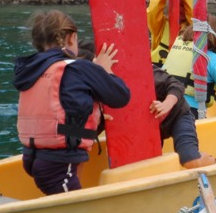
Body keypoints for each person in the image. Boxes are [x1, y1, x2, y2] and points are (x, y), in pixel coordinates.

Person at [14, 10, 131, 195]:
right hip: (58, 163)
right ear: (71, 38)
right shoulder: (79, 68)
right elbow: (120, 96)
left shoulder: (29, 69)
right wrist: (103, 70)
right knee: (75, 210)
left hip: (32, 155)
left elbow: (67, 101)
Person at [149, 65, 216, 169]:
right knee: (147, 163)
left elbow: (176, 85)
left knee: (190, 160)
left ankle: (215, 164)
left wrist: (167, 104)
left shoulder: (146, 70)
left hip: (177, 116)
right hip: (152, 127)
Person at [147, 0, 193, 67]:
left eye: (183, 6)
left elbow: (196, 15)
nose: (179, 9)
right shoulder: (160, 26)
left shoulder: (191, 28)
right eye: (177, 5)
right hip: (160, 73)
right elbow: (152, 11)